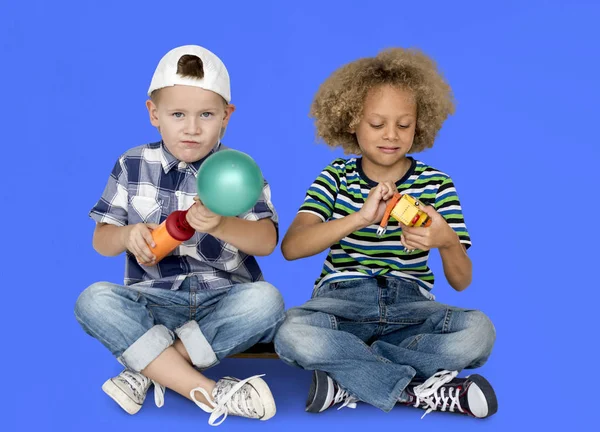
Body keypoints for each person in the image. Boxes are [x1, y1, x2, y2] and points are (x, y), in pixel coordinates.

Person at [274, 48, 497, 419]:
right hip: (339, 306)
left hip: (412, 308)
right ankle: (415, 391)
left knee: (478, 332)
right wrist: (359, 218)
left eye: (404, 125)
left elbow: (462, 281)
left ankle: (351, 376)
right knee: (290, 331)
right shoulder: (336, 177)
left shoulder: (437, 184)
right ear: (350, 122)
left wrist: (445, 241)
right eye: (377, 124)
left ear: (420, 123)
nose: (391, 135)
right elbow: (292, 248)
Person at [74, 45, 284, 426]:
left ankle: (148, 369)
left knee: (267, 301)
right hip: (153, 302)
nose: (191, 127)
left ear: (226, 117)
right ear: (154, 114)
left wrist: (221, 225)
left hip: (222, 301)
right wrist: (126, 236)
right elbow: (101, 239)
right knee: (93, 300)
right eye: (177, 115)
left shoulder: (237, 171)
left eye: (206, 115)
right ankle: (206, 390)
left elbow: (267, 241)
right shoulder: (132, 164)